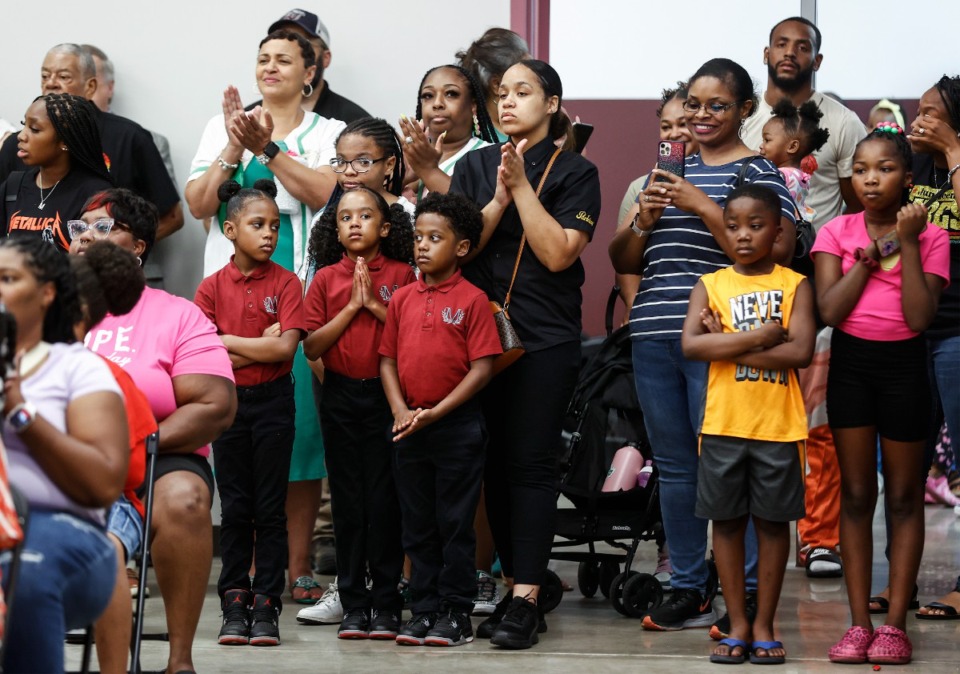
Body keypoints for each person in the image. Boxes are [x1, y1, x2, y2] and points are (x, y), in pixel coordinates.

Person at [609, 57, 797, 635]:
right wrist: (643, 219)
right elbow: (622, 260)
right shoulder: (662, 173)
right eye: (693, 104)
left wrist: (701, 207)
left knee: (727, 465)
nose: (701, 115)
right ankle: (688, 587)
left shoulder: (758, 173)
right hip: (655, 333)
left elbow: (781, 255)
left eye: (717, 105)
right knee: (674, 467)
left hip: (720, 340)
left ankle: (739, 594)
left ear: (745, 111)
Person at [186, 29, 343, 606]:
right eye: (262, 59)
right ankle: (246, 566)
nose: (270, 68)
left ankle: (295, 565)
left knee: (296, 438)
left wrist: (271, 149)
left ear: (311, 72)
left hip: (293, 296)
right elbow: (200, 204)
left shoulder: (327, 133)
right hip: (227, 297)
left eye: (284, 60)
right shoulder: (219, 126)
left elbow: (329, 194)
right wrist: (234, 146)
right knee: (236, 435)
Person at [449, 59, 600, 649]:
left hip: (544, 336)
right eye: (500, 94)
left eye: (523, 92)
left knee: (531, 464)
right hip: (478, 335)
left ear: (553, 103)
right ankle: (518, 581)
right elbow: (460, 248)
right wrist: (495, 194)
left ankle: (527, 599)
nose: (506, 102)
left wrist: (520, 190)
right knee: (488, 464)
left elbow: (559, 252)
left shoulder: (577, 171)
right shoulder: (474, 165)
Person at [81, 188, 237, 674]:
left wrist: (141, 444)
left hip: (157, 452)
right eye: (80, 226)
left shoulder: (174, 314)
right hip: (62, 452)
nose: (87, 235)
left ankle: (179, 661)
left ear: (138, 246)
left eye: (103, 227)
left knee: (186, 500)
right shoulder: (44, 308)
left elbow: (214, 404)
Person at [814, 126, 949, 665]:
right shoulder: (837, 232)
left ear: (907, 179)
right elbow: (830, 311)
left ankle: (894, 624)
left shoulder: (932, 236)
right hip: (851, 366)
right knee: (854, 495)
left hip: (904, 369)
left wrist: (908, 243)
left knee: (902, 497)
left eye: (885, 168)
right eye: (863, 169)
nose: (871, 179)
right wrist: (870, 256)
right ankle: (857, 623)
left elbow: (919, 317)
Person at [681, 185, 815, 665]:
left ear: (778, 231)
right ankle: (737, 623)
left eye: (755, 225)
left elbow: (799, 352)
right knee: (728, 523)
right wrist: (759, 336)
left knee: (774, 526)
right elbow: (693, 347)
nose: (742, 235)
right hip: (723, 425)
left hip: (779, 427)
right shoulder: (711, 284)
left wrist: (729, 342)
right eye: (733, 225)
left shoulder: (795, 285)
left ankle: (764, 624)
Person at [295, 116, 415, 624]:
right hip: (341, 395)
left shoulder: (405, 275)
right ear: (335, 227)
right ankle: (352, 600)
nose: (356, 225)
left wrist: (376, 307)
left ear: (384, 225)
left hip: (389, 398)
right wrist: (351, 308)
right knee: (347, 500)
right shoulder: (324, 279)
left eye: (366, 217)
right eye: (346, 218)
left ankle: (386, 601)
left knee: (386, 500)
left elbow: (411, 338)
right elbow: (312, 347)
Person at [0, 237, 129, 674]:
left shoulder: (78, 368)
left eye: (8, 279)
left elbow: (102, 484)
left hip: (61, 531)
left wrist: (20, 413)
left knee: (25, 576)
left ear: (46, 294)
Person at [380, 191, 501, 647]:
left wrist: (436, 413)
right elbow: (387, 360)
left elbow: (483, 367)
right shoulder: (402, 299)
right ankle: (424, 609)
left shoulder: (472, 300)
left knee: (454, 524)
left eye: (436, 238)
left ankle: (455, 613)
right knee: (418, 524)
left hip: (456, 430)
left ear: (462, 248)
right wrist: (401, 411)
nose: (423, 246)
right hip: (408, 429)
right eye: (419, 237)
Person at [194, 179, 305, 647]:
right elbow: (204, 356)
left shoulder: (287, 282)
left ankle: (267, 603)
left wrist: (229, 341)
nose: (269, 235)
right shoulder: (211, 287)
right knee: (236, 507)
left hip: (275, 403)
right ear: (231, 228)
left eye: (275, 227)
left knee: (269, 509)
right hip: (229, 406)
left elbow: (285, 350)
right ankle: (234, 600)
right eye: (258, 225)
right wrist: (259, 346)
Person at [68, 239, 157, 674]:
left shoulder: (107, 377)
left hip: (111, 502)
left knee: (105, 555)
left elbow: (132, 470)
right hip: (34, 499)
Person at [0, 44, 183, 240]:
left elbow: (171, 216)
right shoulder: (15, 150)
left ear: (90, 87)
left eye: (63, 77)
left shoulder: (128, 137)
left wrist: (123, 252)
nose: (51, 84)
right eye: (45, 76)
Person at [907, 75, 960, 620]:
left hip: (958, 331)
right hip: (910, 330)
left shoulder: (951, 158)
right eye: (916, 111)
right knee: (905, 468)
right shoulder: (912, 166)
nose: (919, 119)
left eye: (932, 113)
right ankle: (899, 585)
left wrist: (953, 149)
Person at [740, 17, 865, 228]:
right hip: (745, 255)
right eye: (781, 44)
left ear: (817, 61)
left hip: (816, 256)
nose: (789, 52)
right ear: (766, 54)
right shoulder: (742, 114)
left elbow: (858, 206)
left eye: (802, 47)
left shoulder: (844, 121)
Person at [81, 43, 179, 289]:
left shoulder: (142, 139)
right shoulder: (47, 145)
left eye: (91, 79)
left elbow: (173, 217)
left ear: (108, 87)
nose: (82, 88)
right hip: (70, 278)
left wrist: (120, 248)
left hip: (137, 276)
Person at [1, 93, 112, 250]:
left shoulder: (96, 194)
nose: (21, 136)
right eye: (23, 124)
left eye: (34, 129)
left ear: (65, 142)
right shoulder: (13, 186)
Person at [251, 9, 370, 123]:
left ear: (325, 58)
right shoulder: (247, 118)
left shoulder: (352, 121)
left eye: (303, 43)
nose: (271, 68)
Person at [399, 64, 500, 199]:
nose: (437, 103)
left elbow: (473, 213)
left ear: (473, 105)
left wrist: (427, 170)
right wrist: (401, 179)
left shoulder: (491, 156)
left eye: (451, 94)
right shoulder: (415, 158)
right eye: (428, 96)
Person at [759, 98, 831, 225]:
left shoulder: (782, 176)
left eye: (767, 140)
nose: (761, 145)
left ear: (792, 147)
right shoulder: (798, 175)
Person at [455, 28, 530, 142]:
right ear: (497, 85)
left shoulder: (543, 121)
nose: (536, 75)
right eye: (527, 68)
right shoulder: (471, 138)